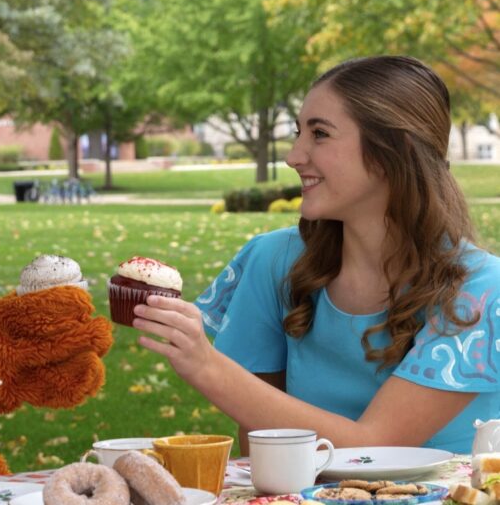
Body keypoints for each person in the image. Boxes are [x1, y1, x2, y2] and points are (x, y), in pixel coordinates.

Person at [133, 55, 500, 454]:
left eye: (320, 134)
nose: (294, 155)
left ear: (393, 151)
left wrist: (205, 366)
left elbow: (375, 447)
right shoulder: (273, 261)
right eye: (298, 133)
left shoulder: (479, 291)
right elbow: (262, 448)